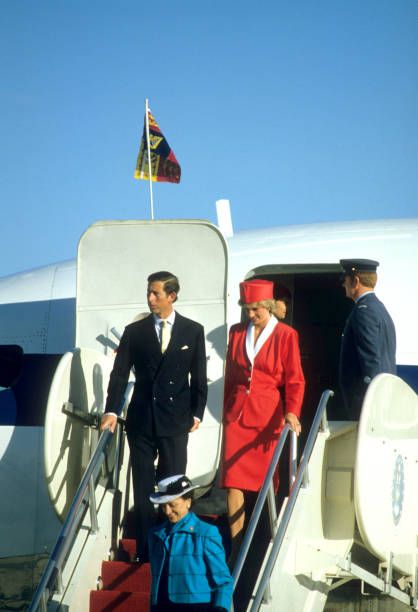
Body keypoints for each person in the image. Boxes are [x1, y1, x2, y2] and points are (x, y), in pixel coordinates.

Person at [100, 271, 207, 562]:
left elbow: (199, 375)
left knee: (173, 486)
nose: (150, 298)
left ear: (171, 296)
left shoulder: (192, 330)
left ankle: (175, 546)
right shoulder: (134, 332)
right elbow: (119, 374)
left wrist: (197, 412)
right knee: (144, 487)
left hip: (175, 421)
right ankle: (148, 550)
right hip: (142, 420)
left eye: (155, 293)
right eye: (148, 293)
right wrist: (111, 410)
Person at [220, 279, 305, 564]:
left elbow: (294, 379)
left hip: (268, 418)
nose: (250, 314)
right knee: (233, 482)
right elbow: (231, 377)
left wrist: (292, 411)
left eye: (255, 309)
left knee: (264, 482)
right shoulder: (235, 333)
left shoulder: (285, 335)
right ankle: (236, 545)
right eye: (247, 309)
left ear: (267, 306)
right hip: (237, 417)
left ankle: (262, 539)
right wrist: (225, 411)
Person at [148, 474, 233, 612]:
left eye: (172, 505)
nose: (168, 511)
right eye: (163, 506)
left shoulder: (206, 533)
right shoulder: (156, 535)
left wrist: (221, 608)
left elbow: (224, 581)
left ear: (188, 501)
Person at [339, 258, 396, 420]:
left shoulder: (363, 312)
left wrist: (373, 403)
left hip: (368, 404)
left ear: (355, 281)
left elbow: (371, 360)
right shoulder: (379, 308)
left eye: (345, 279)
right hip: (379, 400)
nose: (343, 284)